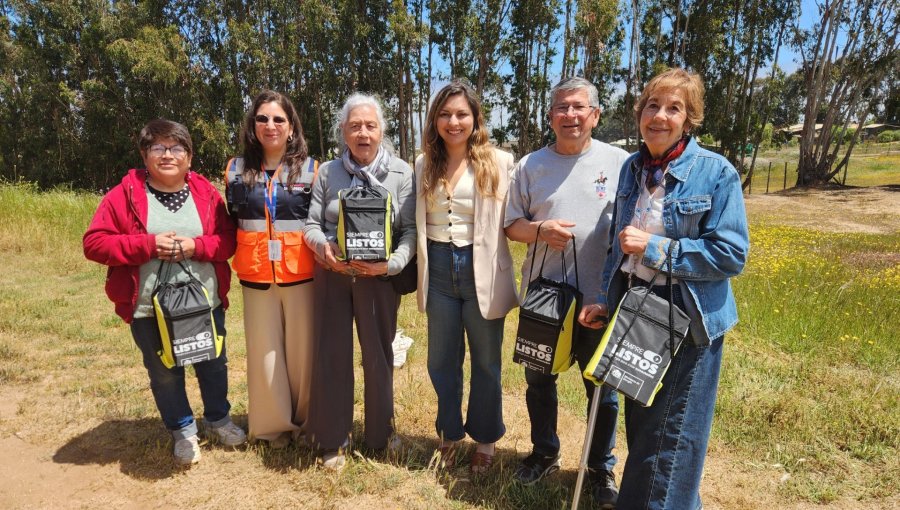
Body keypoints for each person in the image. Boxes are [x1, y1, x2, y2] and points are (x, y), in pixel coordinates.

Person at [578, 67, 749, 509]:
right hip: (635, 307)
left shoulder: (716, 172)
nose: (659, 116)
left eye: (674, 108)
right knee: (643, 428)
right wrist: (606, 301)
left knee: (671, 439)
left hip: (686, 315)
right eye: (652, 105)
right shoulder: (633, 168)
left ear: (689, 120)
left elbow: (731, 254)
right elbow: (618, 244)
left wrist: (657, 248)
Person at [83, 119, 246, 466]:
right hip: (148, 307)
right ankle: (183, 430)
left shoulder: (205, 193)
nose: (168, 154)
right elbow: (94, 243)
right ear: (145, 154)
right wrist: (147, 245)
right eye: (158, 147)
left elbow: (228, 240)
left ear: (189, 156)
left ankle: (218, 419)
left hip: (203, 302)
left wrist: (195, 245)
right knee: (164, 371)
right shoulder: (124, 195)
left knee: (213, 363)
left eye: (176, 148)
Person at [505, 76, 628, 507]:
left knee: (603, 390)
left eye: (579, 107)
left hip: (600, 299)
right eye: (562, 108)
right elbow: (511, 225)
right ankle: (545, 452)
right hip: (544, 302)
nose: (570, 116)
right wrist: (540, 230)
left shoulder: (621, 164)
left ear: (595, 115)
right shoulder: (530, 166)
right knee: (539, 380)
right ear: (551, 115)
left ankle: (600, 468)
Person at [303, 93, 416, 470]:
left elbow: (410, 231)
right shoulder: (327, 173)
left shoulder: (402, 172)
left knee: (379, 357)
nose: (363, 133)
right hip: (333, 277)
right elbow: (311, 225)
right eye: (355, 126)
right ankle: (333, 439)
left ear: (382, 129)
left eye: (370, 125)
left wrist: (392, 266)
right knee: (332, 355)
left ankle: (380, 434)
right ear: (343, 132)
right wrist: (324, 248)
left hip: (378, 281)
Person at [415, 80, 517, 473]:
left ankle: (486, 440)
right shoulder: (424, 163)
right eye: (445, 114)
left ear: (475, 118)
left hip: (483, 269)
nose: (453, 122)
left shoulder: (500, 161)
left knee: (486, 360)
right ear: (435, 120)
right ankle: (449, 434)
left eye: (461, 114)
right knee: (441, 359)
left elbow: (515, 217)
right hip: (439, 268)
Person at [224, 90, 318, 449]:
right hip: (256, 274)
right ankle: (272, 427)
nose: (270, 125)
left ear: (291, 128)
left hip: (301, 273)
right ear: (253, 126)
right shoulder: (235, 169)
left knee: (303, 354)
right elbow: (231, 220)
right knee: (265, 353)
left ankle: (308, 423)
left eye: (279, 119)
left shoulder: (312, 169)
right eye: (262, 118)